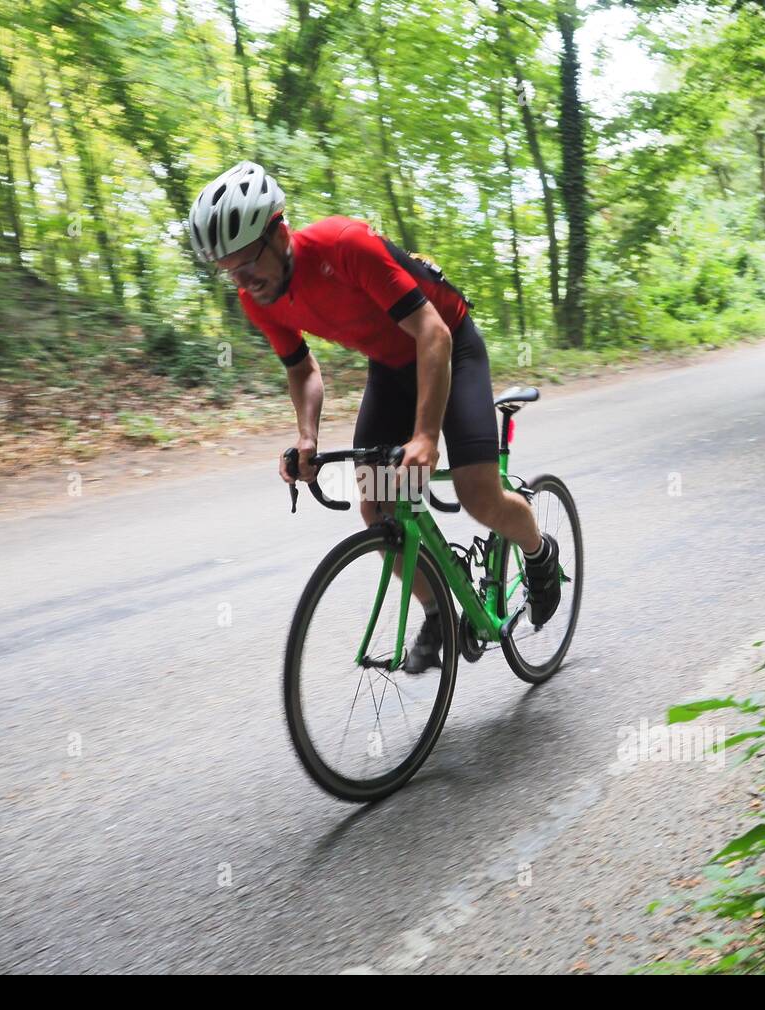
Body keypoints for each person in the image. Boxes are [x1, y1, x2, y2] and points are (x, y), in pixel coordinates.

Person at [188, 161, 560, 671]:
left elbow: (433, 335)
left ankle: (539, 554)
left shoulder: (344, 246)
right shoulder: (260, 300)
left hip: (449, 346)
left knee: (477, 493)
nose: (244, 281)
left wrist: (426, 436)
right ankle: (438, 615)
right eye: (229, 270)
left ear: (278, 232)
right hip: (391, 366)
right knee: (380, 506)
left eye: (247, 264)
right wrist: (306, 440)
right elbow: (303, 371)